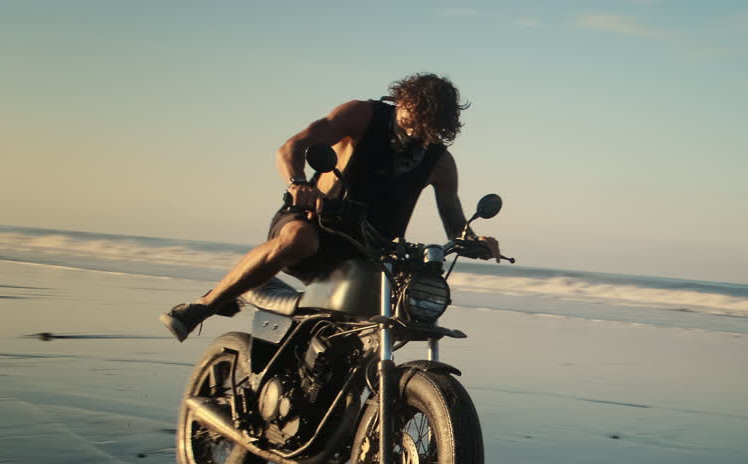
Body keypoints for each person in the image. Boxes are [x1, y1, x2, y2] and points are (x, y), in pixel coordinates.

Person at [160, 73, 503, 341]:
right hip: (316, 223)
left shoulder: (440, 162)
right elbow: (291, 147)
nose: (416, 133)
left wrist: (475, 240)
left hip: (368, 251)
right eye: (414, 120)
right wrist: (298, 184)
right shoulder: (362, 115)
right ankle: (202, 307)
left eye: (428, 129)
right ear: (402, 101)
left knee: (404, 301)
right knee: (300, 239)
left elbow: (454, 221)